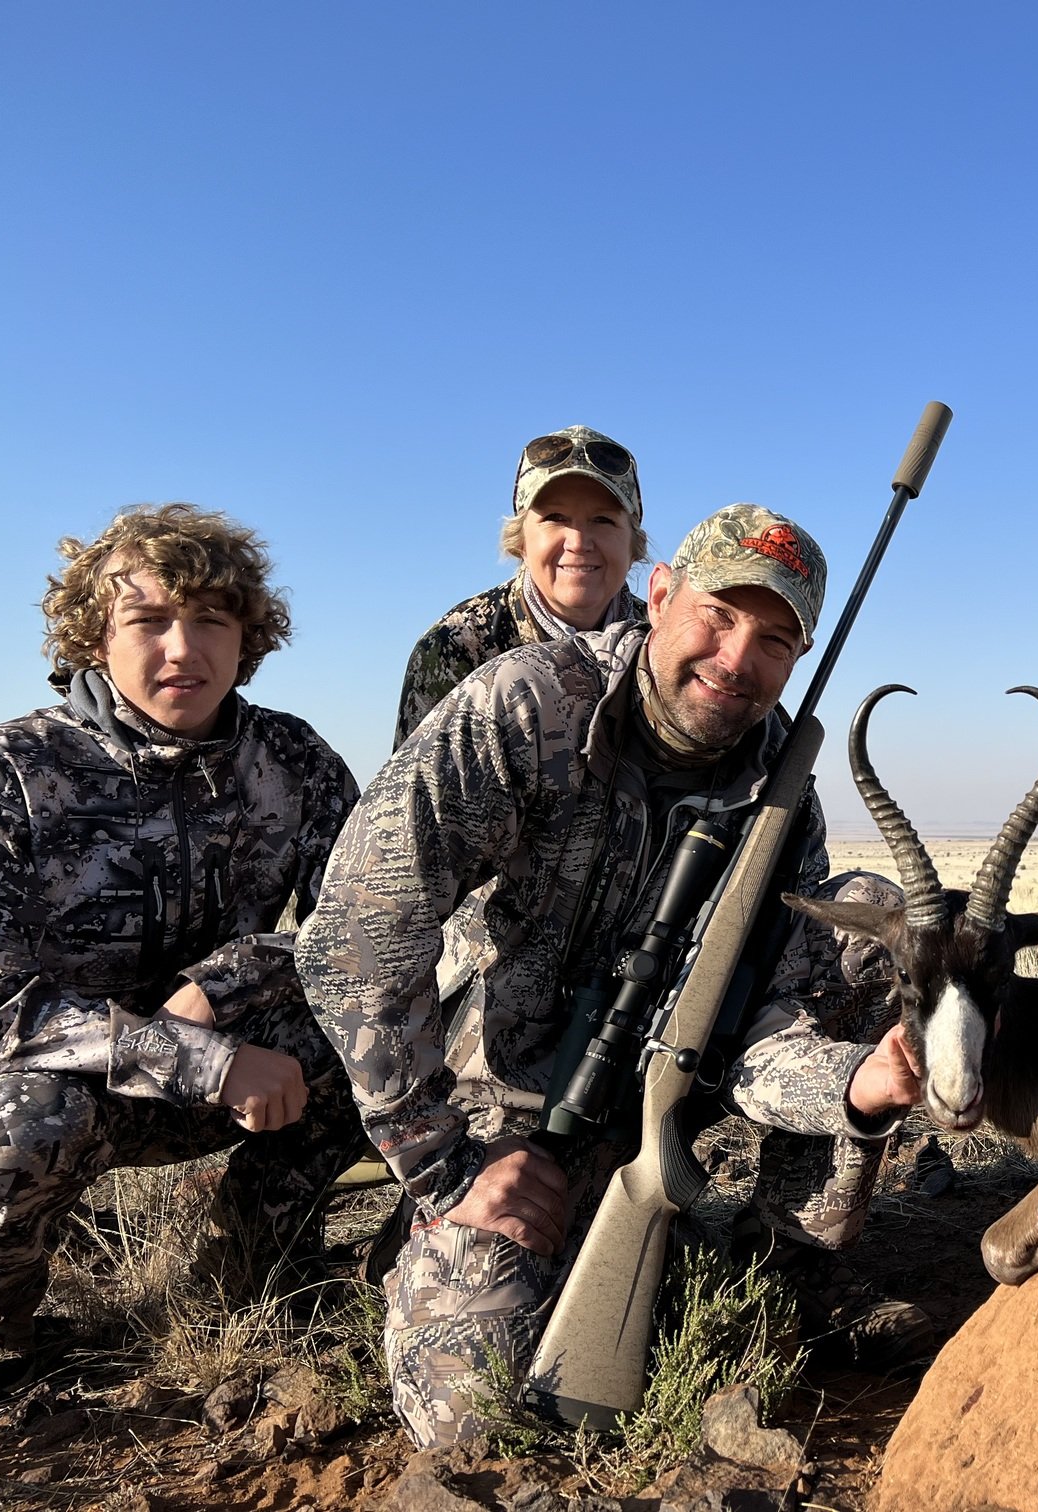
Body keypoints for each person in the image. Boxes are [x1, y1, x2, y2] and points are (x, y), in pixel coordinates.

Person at [297, 504, 927, 1448]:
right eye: (718, 616)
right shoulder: (525, 703)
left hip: (668, 1095)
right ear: (661, 593)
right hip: (502, 1108)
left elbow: (771, 1025)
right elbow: (355, 931)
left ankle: (793, 1259)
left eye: (775, 640)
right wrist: (448, 1166)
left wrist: (855, 1083)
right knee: (474, 1418)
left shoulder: (782, 789)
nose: (735, 659)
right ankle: (434, 1236)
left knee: (873, 918)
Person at [0, 504, 365, 1405]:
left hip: (238, 1069)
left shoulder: (295, 760)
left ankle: (254, 1258)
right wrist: (193, 1056)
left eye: (211, 619)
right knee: (17, 1118)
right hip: (72, 1083)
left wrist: (225, 983)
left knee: (376, 1039)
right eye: (149, 621)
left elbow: (357, 927)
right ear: (94, 634)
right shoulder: (8, 768)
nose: (183, 649)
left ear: (248, 636)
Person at [393, 425, 648, 747]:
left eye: (603, 520)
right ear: (520, 541)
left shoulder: (665, 638)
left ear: (634, 545)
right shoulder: (455, 648)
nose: (579, 542)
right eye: (555, 517)